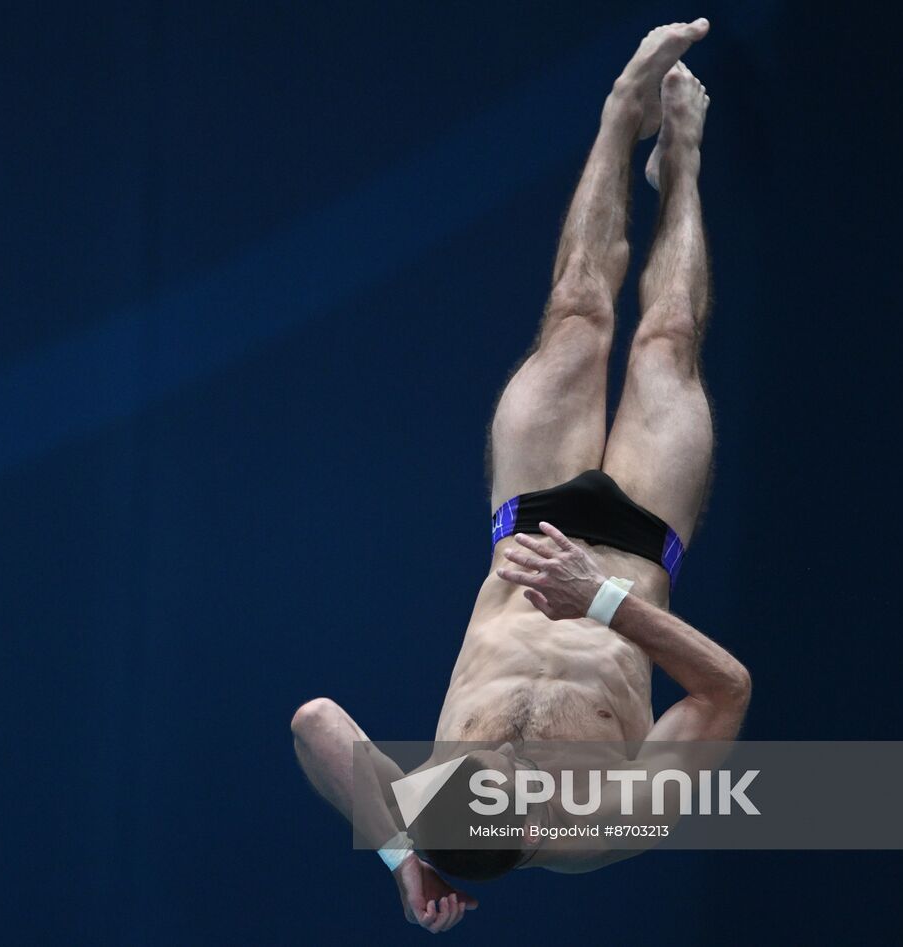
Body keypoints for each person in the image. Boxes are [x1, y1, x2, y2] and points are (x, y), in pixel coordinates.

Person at [291, 19, 752, 934]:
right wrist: (600, 599)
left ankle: (621, 116)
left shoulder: (425, 806)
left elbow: (314, 720)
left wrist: (395, 858)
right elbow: (726, 689)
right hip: (633, 550)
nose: (498, 758)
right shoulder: (617, 823)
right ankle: (687, 163)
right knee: (666, 343)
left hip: (527, 521)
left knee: (578, 313)